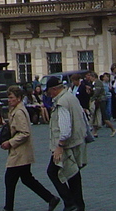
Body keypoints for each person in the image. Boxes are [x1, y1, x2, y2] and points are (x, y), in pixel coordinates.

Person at [0, 85, 60, 211]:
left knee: (10, 180)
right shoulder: (16, 110)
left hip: (19, 153)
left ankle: (8, 208)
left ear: (19, 98)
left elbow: (25, 133)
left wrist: (10, 142)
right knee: (27, 179)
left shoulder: (19, 112)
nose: (9, 100)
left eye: (11, 97)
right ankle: (50, 198)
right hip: (22, 153)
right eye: (8, 98)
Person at [45, 76, 86, 211]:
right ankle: (79, 205)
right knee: (73, 174)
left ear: (55, 89)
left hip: (66, 145)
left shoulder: (61, 102)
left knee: (53, 172)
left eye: (49, 91)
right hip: (77, 142)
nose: (49, 94)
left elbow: (65, 128)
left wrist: (59, 146)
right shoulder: (71, 97)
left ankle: (70, 203)